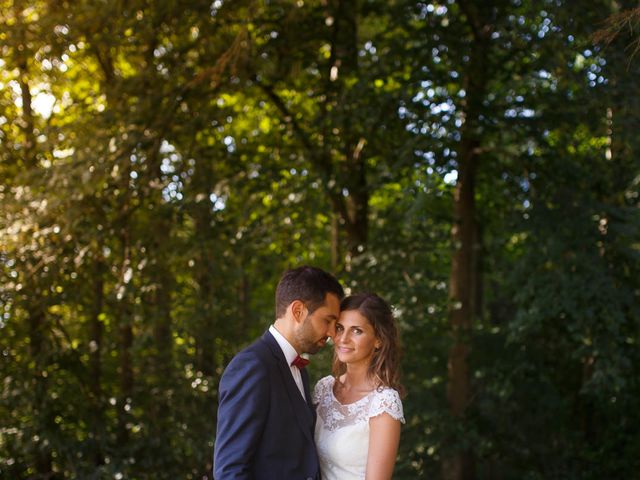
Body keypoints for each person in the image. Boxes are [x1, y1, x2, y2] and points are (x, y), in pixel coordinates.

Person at [213, 266, 344, 480]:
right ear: (298, 311)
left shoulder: (298, 369)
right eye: (327, 320)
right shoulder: (252, 366)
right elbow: (230, 471)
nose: (331, 332)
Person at [313, 293, 405, 480]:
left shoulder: (384, 403)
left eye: (357, 331)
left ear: (378, 339)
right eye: (340, 328)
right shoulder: (323, 388)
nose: (343, 339)